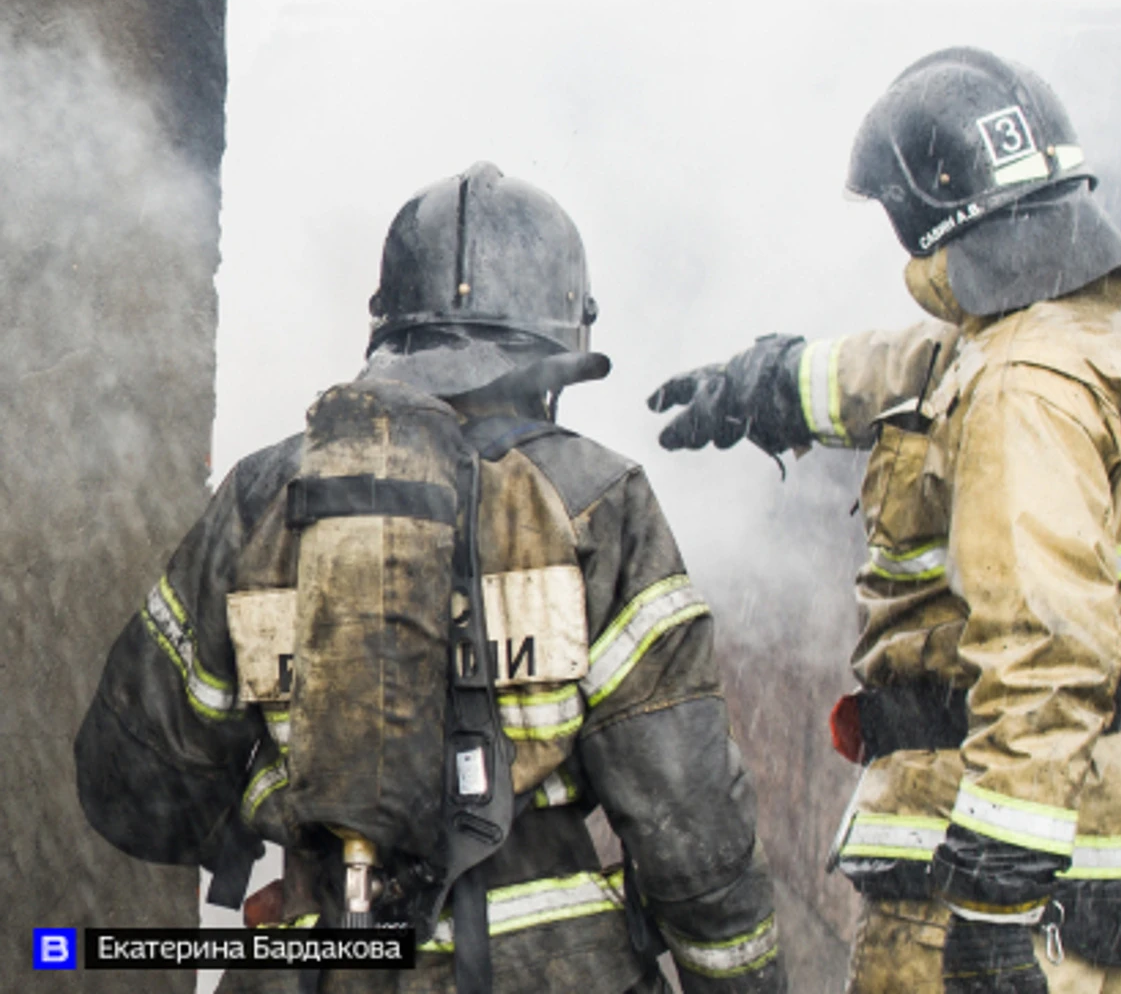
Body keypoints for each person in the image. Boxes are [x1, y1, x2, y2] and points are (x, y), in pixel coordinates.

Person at [74, 163, 787, 994]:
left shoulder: (262, 499)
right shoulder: (596, 502)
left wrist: (287, 838)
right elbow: (688, 817)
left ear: (389, 328)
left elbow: (133, 780)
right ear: (558, 350)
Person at [647, 48, 1121, 994]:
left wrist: (996, 910)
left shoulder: (1023, 393)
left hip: (1013, 877)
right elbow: (951, 365)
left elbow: (1047, 653)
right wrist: (780, 385)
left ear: (922, 213)